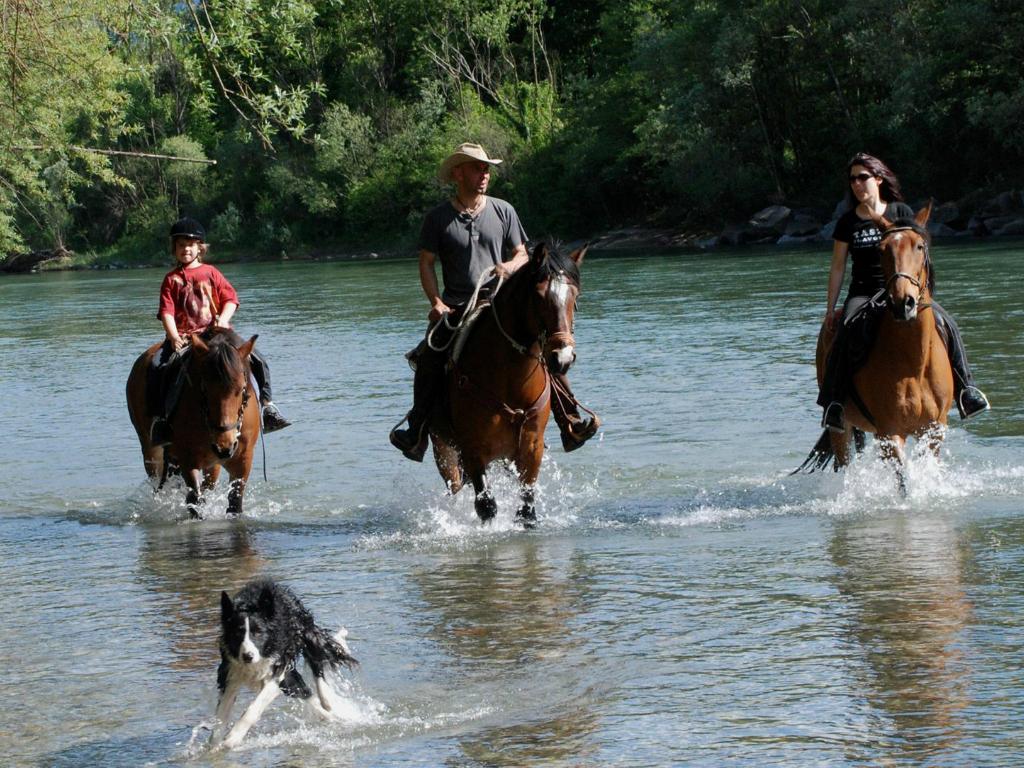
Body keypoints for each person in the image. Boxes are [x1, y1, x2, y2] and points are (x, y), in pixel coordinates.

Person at [389, 142, 601, 461]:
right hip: (458, 306)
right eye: (478, 167)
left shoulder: (504, 210)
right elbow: (426, 263)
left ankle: (568, 420)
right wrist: (436, 301)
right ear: (458, 173)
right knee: (430, 355)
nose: (485, 174)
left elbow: (521, 254)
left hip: (500, 301)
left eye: (487, 168)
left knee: (544, 348)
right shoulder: (438, 218)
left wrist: (509, 267)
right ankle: (417, 428)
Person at [818, 152, 989, 431]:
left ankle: (967, 391)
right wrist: (830, 309)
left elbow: (918, 252)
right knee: (846, 329)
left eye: (862, 177)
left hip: (904, 287)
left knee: (947, 323)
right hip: (864, 293)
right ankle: (835, 404)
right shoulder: (847, 223)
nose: (857, 184)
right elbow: (838, 267)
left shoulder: (901, 213)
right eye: (852, 179)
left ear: (878, 178)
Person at [148, 217, 291, 445]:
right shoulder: (171, 279)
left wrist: (223, 319)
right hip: (187, 337)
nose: (186, 249)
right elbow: (166, 311)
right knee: (157, 366)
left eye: (191, 245)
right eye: (181, 245)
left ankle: (268, 407)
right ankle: (162, 421)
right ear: (174, 249)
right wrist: (174, 337)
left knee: (257, 359)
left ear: (200, 248)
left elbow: (231, 299)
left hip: (217, 332)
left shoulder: (211, 272)